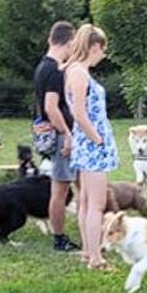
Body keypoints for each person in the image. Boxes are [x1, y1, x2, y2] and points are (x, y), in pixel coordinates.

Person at [64, 23, 120, 270]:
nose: (104, 54)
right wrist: (98, 139)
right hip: (91, 146)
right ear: (94, 46)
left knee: (86, 201)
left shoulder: (76, 71)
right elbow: (79, 112)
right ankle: (96, 258)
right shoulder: (78, 73)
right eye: (102, 49)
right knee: (95, 204)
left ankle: (88, 251)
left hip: (87, 145)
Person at [33, 21, 78, 253]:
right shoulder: (53, 70)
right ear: (69, 42)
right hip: (61, 137)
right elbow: (52, 107)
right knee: (60, 191)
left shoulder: (42, 67)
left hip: (50, 134)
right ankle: (59, 239)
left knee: (64, 187)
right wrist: (67, 134)